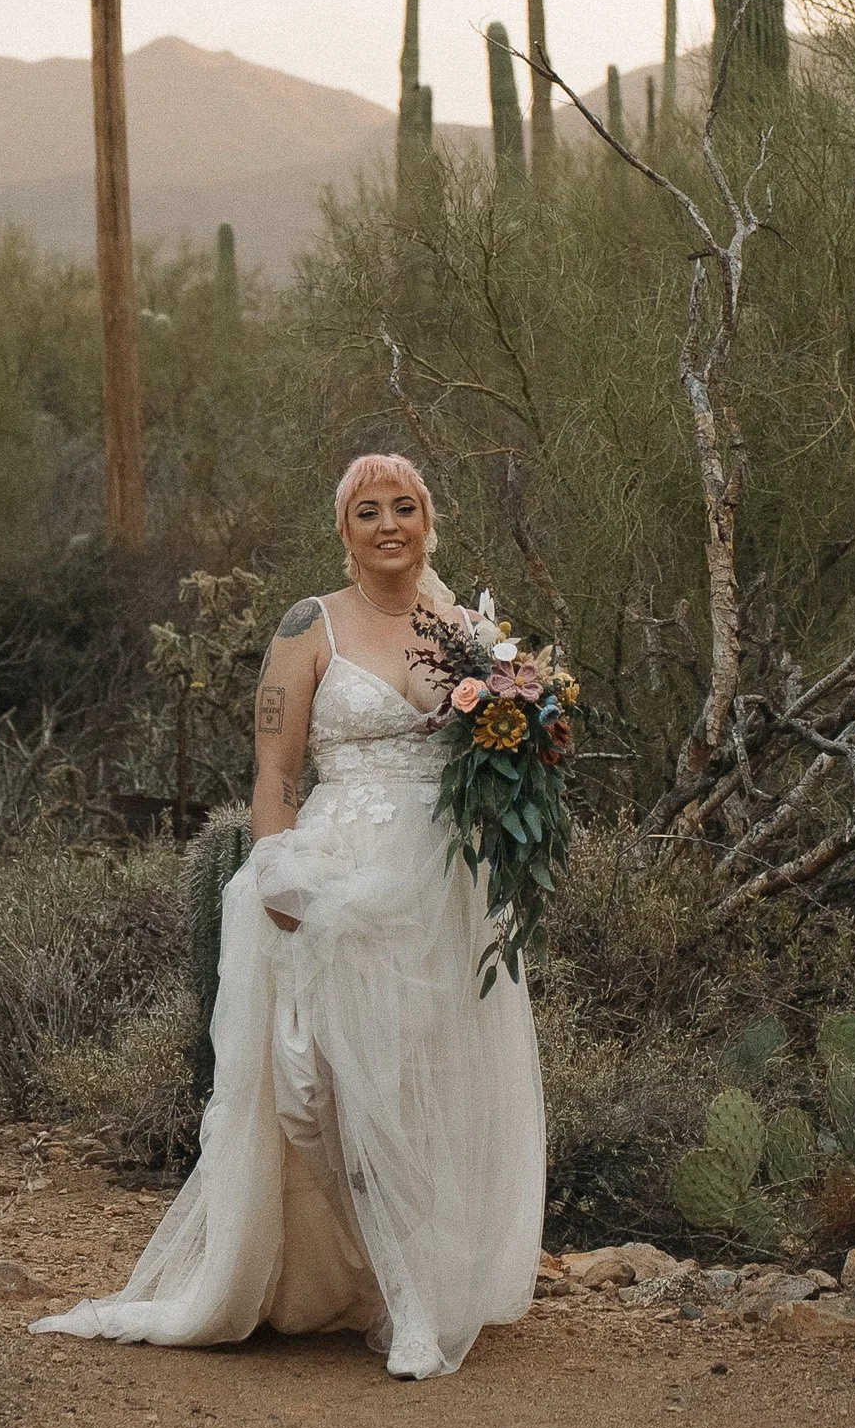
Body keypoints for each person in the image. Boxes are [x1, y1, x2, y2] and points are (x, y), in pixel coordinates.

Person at [33, 452, 547, 1379]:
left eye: (404, 508)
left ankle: (417, 1299)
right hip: (333, 878)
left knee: (417, 1085)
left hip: (439, 888)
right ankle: (354, 1266)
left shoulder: (472, 635)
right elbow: (276, 774)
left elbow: (500, 760)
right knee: (316, 1091)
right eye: (367, 511)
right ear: (344, 530)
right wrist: (276, 879)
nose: (388, 525)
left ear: (429, 521)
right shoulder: (310, 626)